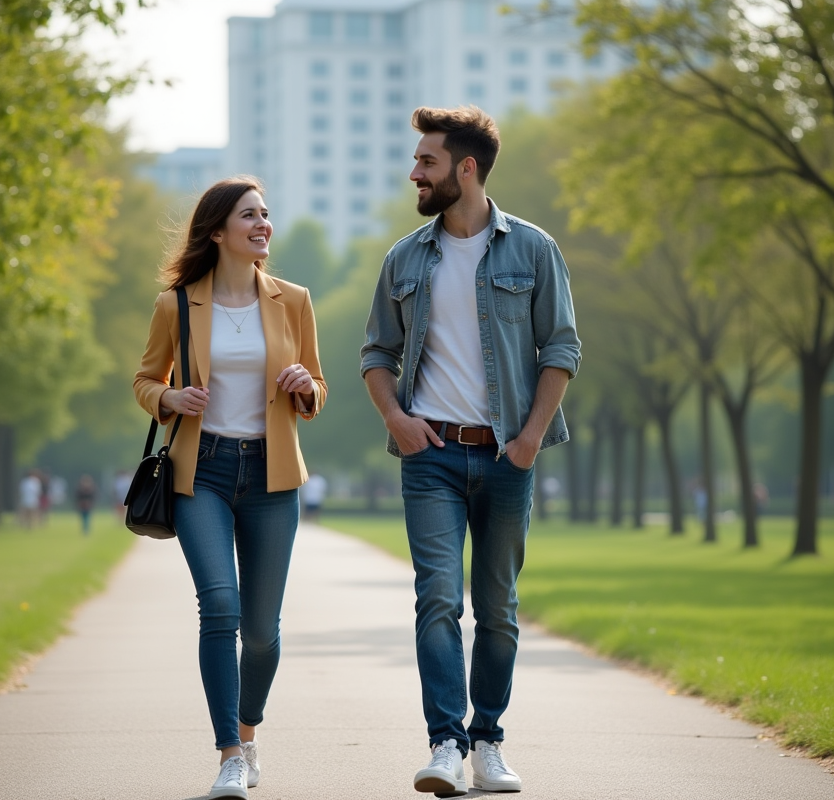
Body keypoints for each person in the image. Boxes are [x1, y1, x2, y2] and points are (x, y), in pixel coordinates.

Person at [361, 106, 580, 796]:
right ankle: (446, 744)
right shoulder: (406, 257)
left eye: (426, 161)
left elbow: (563, 347)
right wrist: (395, 416)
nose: (413, 172)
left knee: (499, 608)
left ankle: (488, 739)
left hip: (506, 458)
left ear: (466, 168)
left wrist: (529, 439)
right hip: (429, 457)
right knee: (436, 602)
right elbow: (376, 351)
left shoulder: (533, 250)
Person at [133, 176, 326, 800]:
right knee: (219, 606)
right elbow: (143, 378)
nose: (263, 223)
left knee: (262, 630)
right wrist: (169, 395)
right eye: (250, 215)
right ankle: (229, 755)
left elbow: (317, 390)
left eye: (266, 213)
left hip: (272, 477)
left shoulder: (293, 300)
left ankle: (249, 731)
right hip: (203, 473)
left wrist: (303, 385)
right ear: (218, 231)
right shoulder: (178, 304)